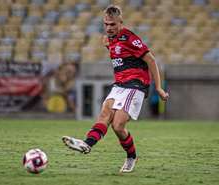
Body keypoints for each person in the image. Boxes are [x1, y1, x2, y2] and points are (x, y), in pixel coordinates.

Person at [62, 5, 169, 173]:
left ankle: (131, 157)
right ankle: (87, 144)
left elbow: (151, 60)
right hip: (119, 85)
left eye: (112, 24)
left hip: (136, 84)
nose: (109, 28)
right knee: (105, 113)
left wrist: (158, 87)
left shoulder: (130, 38)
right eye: (106, 24)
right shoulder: (107, 40)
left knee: (118, 126)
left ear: (120, 22)